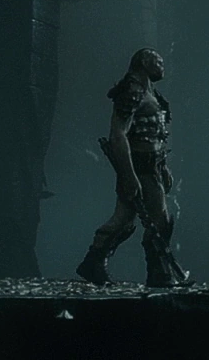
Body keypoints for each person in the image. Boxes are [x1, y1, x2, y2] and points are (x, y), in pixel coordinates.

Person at [77, 48, 191, 288]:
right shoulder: (132, 92)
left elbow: (156, 135)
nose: (162, 66)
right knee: (159, 219)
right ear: (144, 62)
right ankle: (159, 273)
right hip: (140, 166)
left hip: (151, 166)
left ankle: (94, 262)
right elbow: (118, 135)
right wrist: (129, 175)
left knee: (124, 219)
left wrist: (163, 167)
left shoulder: (150, 93)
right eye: (157, 61)